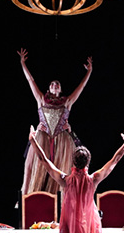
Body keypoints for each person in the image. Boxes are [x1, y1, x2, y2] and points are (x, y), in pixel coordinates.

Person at [18, 48, 93, 196]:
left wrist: (89, 72)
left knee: (62, 170)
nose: (54, 85)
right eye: (52, 84)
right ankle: (27, 197)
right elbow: (30, 80)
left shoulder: (67, 102)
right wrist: (23, 63)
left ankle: (62, 200)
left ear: (60, 90)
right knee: (33, 166)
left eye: (57, 84)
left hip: (61, 139)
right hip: (43, 136)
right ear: (48, 89)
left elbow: (81, 87)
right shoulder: (41, 100)